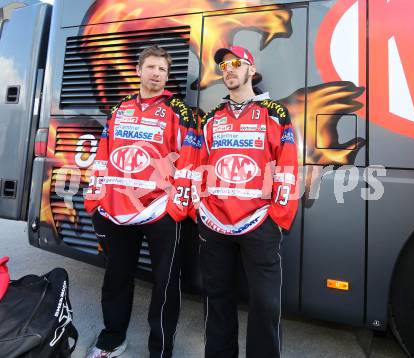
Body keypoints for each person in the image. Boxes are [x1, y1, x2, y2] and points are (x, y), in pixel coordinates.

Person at [83, 45, 196, 358]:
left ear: (167, 76)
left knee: (165, 284)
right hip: (117, 210)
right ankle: (111, 340)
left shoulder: (179, 111)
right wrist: (96, 200)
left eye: (162, 69)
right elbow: (103, 154)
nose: (156, 73)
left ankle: (160, 350)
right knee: (116, 277)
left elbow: (189, 160)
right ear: (139, 70)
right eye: (151, 67)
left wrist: (176, 206)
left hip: (161, 210)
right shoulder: (120, 108)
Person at [194, 45, 299, 358]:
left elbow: (288, 167)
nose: (229, 69)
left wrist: (276, 217)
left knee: (266, 304)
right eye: (224, 65)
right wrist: (201, 209)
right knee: (217, 299)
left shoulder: (275, 112)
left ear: (251, 70)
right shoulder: (212, 118)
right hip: (214, 223)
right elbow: (199, 165)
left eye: (236, 63)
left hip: (259, 222)